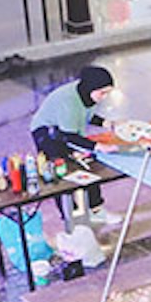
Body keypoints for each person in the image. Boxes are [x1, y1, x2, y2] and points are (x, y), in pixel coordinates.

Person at [29, 65, 120, 226]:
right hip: (47, 133)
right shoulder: (68, 101)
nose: (104, 97)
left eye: (107, 92)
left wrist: (107, 123)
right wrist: (98, 146)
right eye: (102, 92)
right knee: (61, 173)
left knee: (88, 167)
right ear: (91, 88)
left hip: (65, 131)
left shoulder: (87, 94)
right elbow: (69, 136)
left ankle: (96, 210)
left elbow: (86, 115)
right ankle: (70, 217)